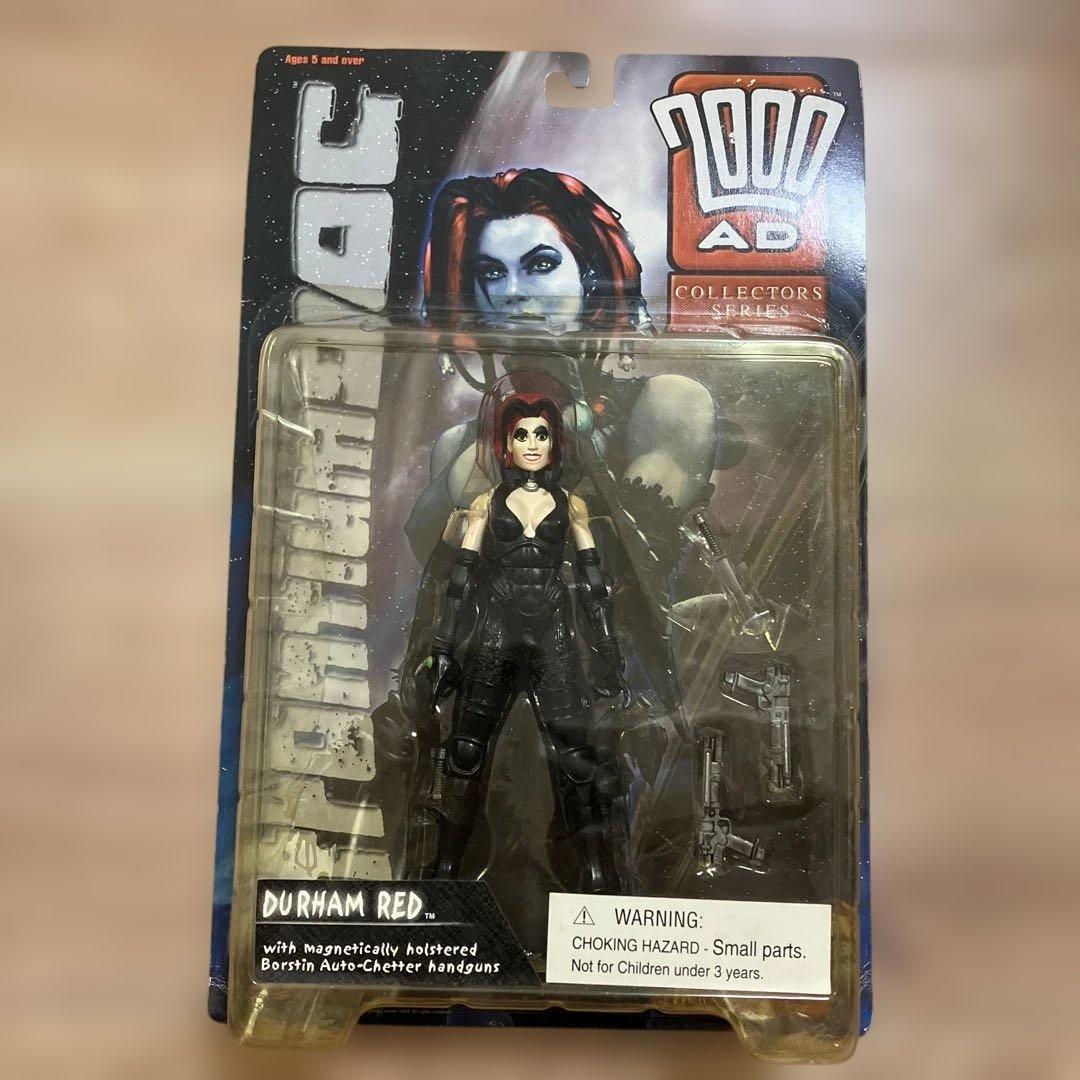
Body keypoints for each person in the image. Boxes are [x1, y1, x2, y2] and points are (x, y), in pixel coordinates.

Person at [420, 372, 629, 893]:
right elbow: (460, 579)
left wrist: (607, 650)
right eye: (522, 435)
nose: (532, 444)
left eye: (541, 434)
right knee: (466, 750)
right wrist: (443, 649)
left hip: (552, 632)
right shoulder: (486, 504)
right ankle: (445, 871)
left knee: (575, 755)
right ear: (506, 444)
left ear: (554, 442)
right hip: (496, 630)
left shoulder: (572, 505)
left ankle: (595, 873)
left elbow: (594, 583)